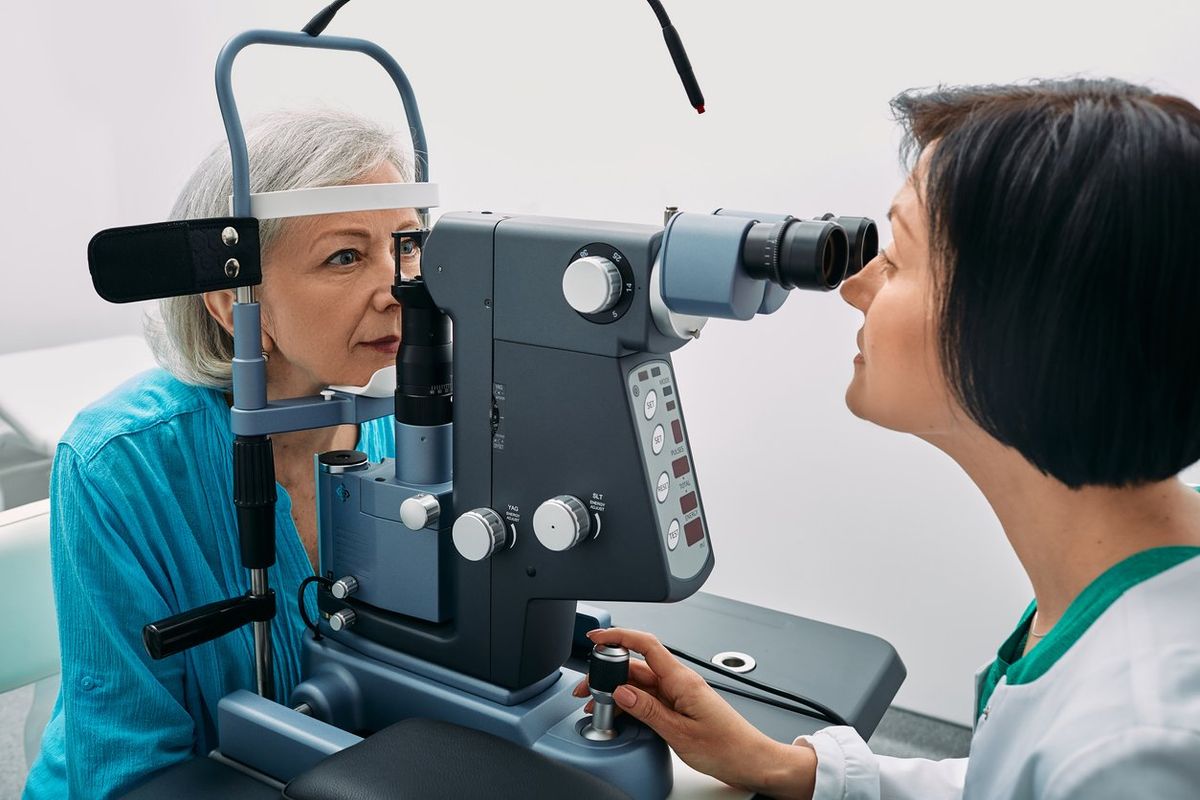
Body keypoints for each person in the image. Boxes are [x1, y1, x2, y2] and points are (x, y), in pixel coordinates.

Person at [575, 79, 1200, 799]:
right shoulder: (1119, 594)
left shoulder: (1143, 747)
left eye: (898, 258)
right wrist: (791, 768)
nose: (855, 286)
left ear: (1020, 328)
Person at [23, 108, 421, 799]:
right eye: (346, 256)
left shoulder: (417, 425)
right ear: (234, 302)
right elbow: (128, 769)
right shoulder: (118, 466)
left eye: (408, 245)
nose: (397, 289)